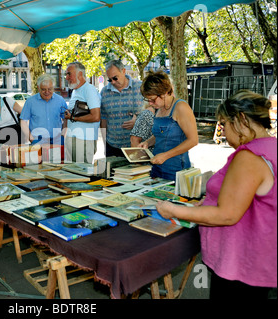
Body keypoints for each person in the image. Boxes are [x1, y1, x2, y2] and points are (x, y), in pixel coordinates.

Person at [156, 90, 277, 299]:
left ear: (240, 121)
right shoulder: (269, 147)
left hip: (240, 264)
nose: (222, 132)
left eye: (224, 125)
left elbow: (227, 215)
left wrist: (173, 210)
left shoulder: (250, 156)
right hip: (258, 259)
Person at [138, 70, 198, 180]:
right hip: (157, 168)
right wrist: (147, 142)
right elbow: (161, 134)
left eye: (152, 100)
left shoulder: (181, 107)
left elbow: (193, 140)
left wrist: (166, 155)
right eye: (148, 100)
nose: (150, 103)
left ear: (164, 93)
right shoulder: (159, 108)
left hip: (176, 169)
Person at [100, 60, 144, 157]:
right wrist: (104, 145)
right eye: (110, 79)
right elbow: (103, 119)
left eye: (115, 78)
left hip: (137, 146)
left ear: (123, 71)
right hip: (112, 147)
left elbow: (153, 110)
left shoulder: (140, 87)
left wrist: (138, 122)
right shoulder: (104, 92)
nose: (113, 82)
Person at [63, 62, 101, 163]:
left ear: (80, 74)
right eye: (66, 74)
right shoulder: (76, 90)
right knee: (72, 175)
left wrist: (73, 118)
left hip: (84, 139)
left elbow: (96, 116)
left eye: (69, 74)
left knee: (82, 174)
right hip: (73, 138)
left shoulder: (89, 89)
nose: (66, 77)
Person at [20, 74, 67, 145]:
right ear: (38, 88)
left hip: (57, 140)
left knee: (58, 157)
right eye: (43, 89)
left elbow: (66, 119)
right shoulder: (30, 102)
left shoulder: (60, 100)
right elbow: (23, 121)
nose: (47, 92)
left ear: (53, 88)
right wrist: (31, 138)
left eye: (49, 89)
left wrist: (63, 136)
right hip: (37, 141)